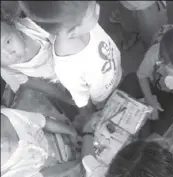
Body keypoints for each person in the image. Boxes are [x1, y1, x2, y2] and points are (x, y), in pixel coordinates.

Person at [19, 1, 123, 131]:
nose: (98, 7)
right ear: (72, 32)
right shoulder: (68, 68)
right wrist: (90, 114)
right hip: (103, 96)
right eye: (92, 11)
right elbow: (83, 101)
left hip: (115, 72)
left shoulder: (81, 21)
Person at [1, 107, 80, 177]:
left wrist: (72, 132)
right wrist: (80, 162)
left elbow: (44, 122)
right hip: (59, 163)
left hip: (56, 136)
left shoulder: (7, 116)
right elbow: (54, 173)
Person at [0, 8, 74, 106]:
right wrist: (70, 100)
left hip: (72, 62)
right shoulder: (7, 68)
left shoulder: (35, 27)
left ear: (12, 23)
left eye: (7, 42)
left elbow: (70, 46)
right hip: (54, 81)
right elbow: (41, 86)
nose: (9, 54)